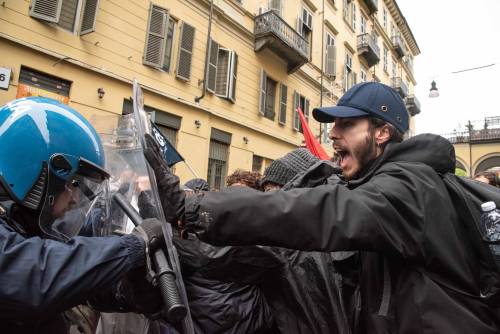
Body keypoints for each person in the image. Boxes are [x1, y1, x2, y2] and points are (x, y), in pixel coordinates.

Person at [152, 82, 500, 333]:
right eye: (333, 124)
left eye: (346, 124)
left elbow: (319, 211)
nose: (332, 133)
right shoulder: (390, 183)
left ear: (381, 133)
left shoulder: (409, 188)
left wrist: (192, 206)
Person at [0, 97, 165, 333]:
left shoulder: (27, 225)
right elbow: (34, 277)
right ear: (37, 173)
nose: (76, 199)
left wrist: (128, 289)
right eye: (72, 184)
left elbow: (73, 281)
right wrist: (132, 247)